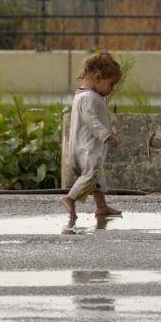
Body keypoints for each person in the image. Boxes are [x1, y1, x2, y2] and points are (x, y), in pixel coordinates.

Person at [61, 51, 123, 219]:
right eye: (111, 84)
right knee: (90, 176)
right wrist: (106, 136)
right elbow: (92, 121)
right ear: (97, 78)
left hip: (82, 148)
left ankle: (101, 206)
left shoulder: (83, 95)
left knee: (97, 178)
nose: (112, 89)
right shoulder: (89, 98)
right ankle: (70, 198)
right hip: (86, 150)